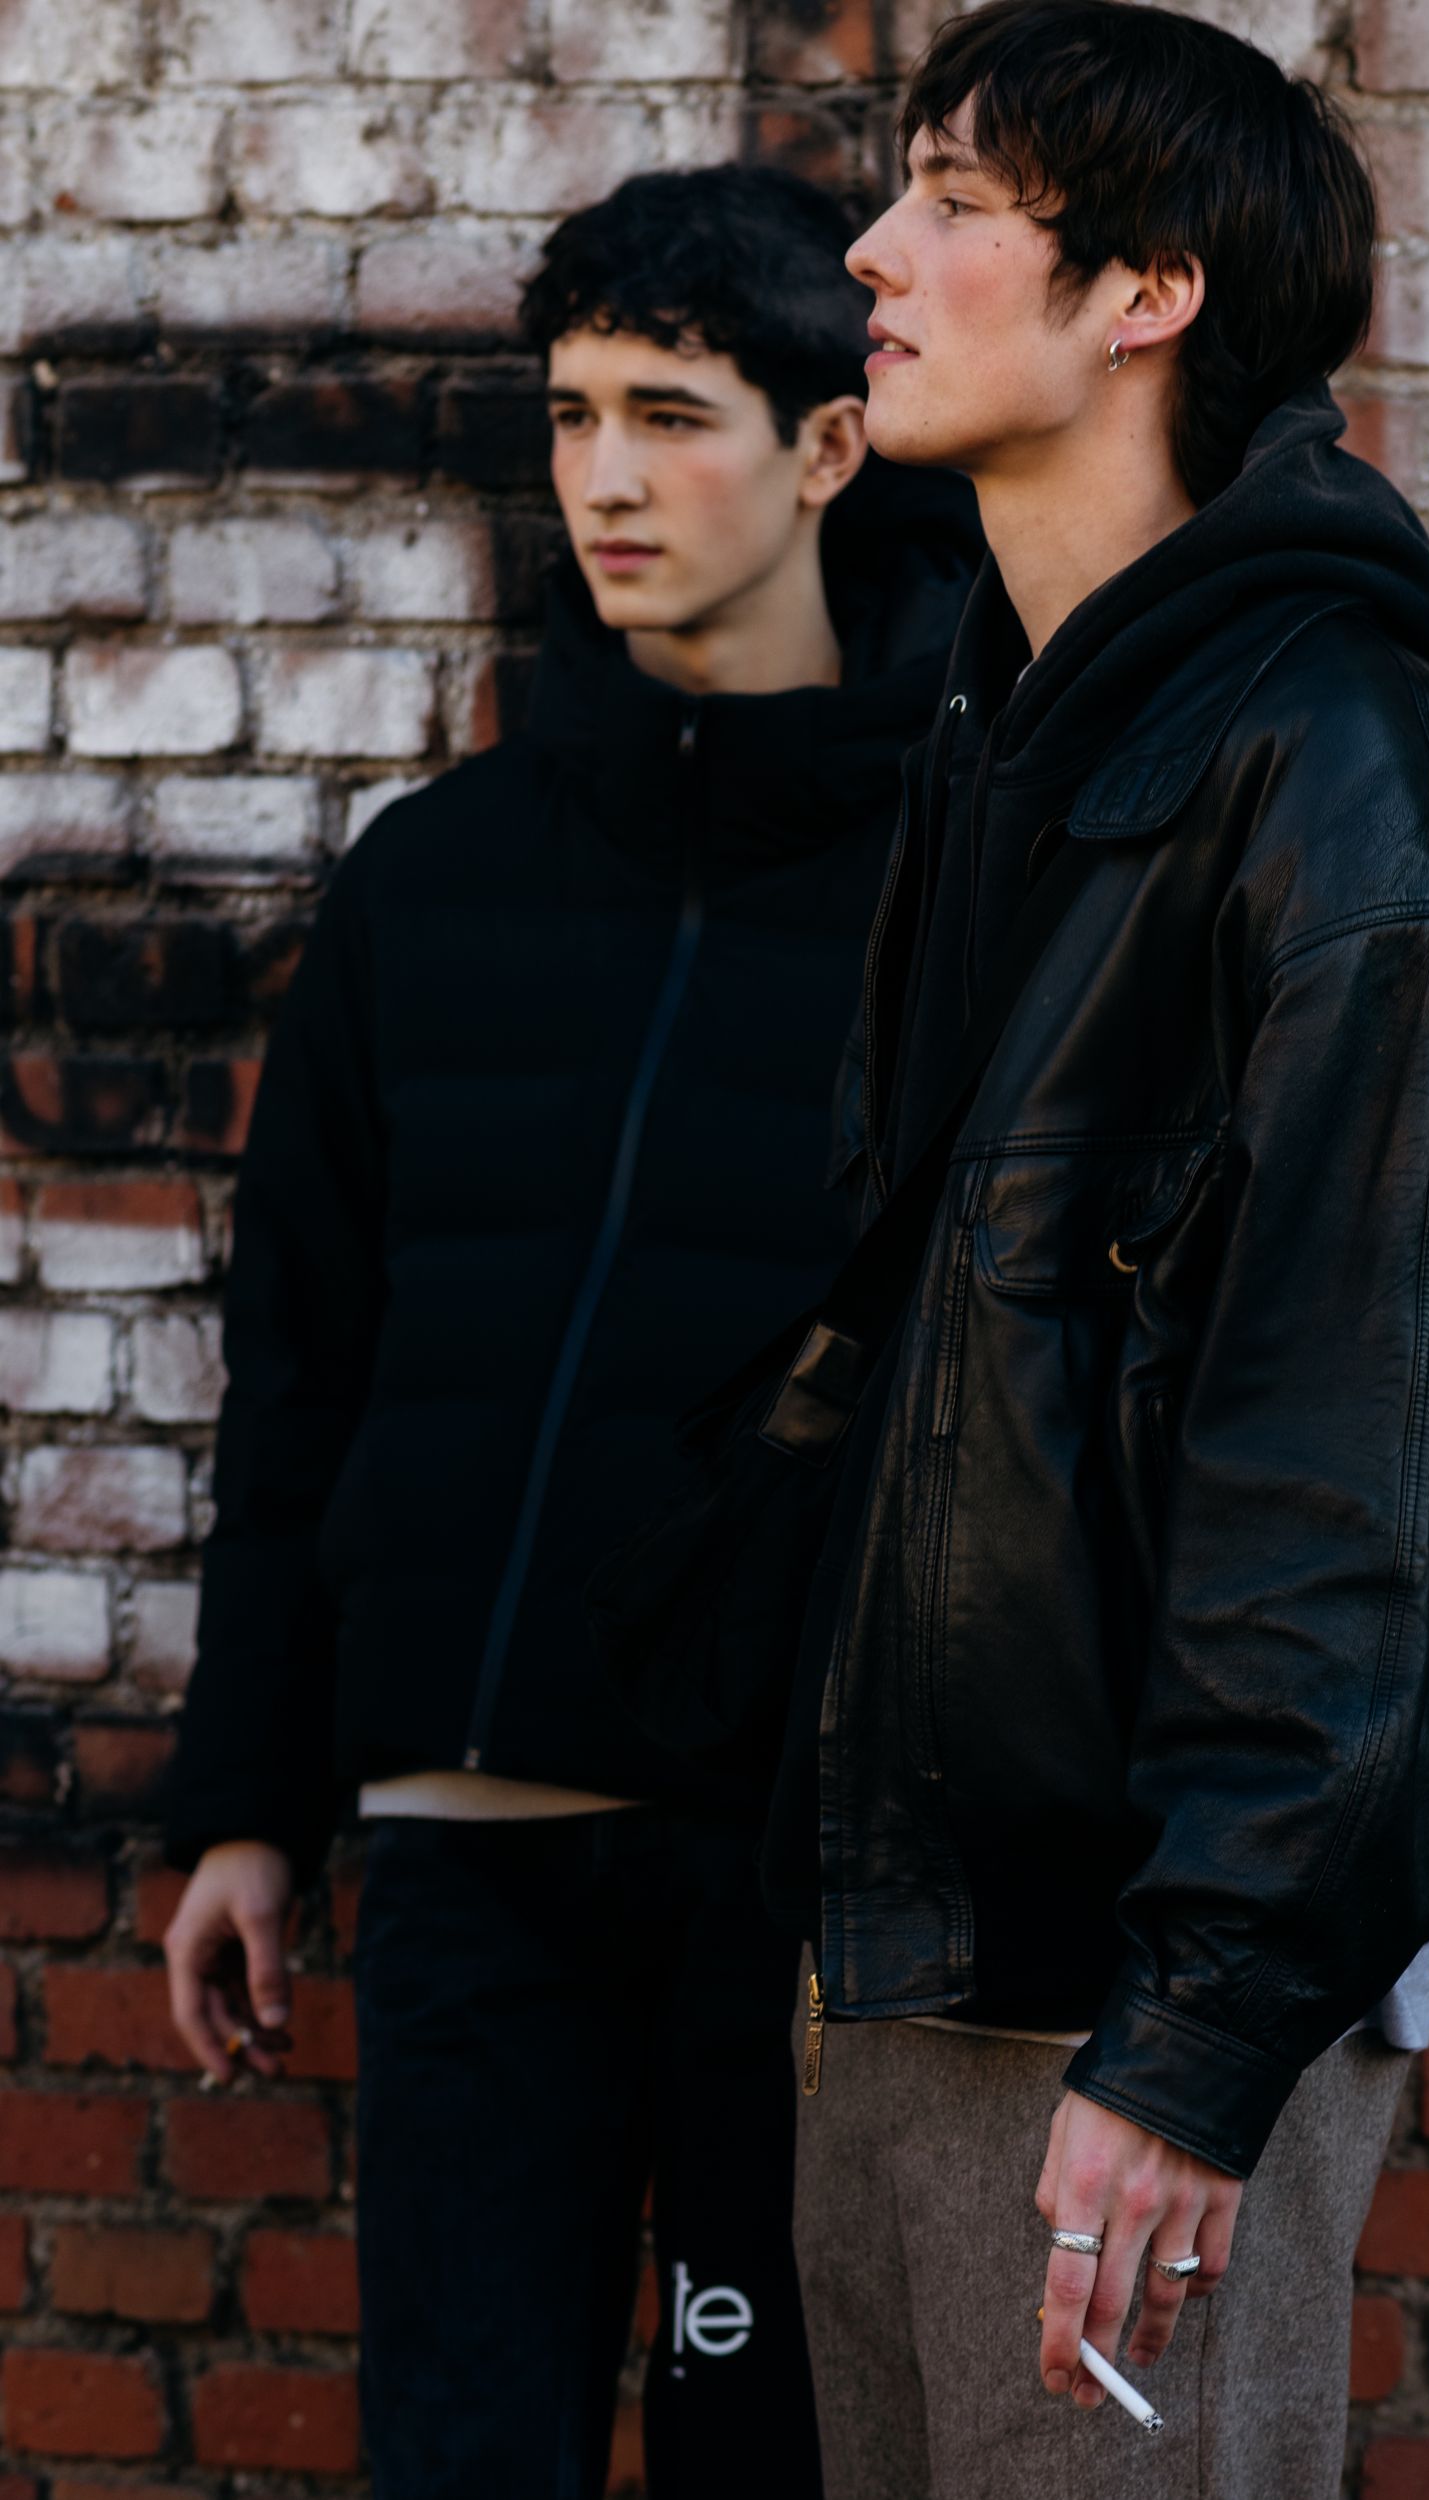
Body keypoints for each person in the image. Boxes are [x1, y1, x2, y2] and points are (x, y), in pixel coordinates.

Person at [760, 7, 1429, 2493]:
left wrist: (1195, 2039)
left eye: (954, 199)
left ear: (1145, 292)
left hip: (1123, 2021)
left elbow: (1369, 1468)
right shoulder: (1015, 749)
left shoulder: (1344, 791)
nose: (876, 250)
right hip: (916, 1966)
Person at [159, 163, 975, 2500]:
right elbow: (303, 1371)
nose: (605, 476)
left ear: (829, 446)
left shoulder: (953, 886)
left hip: (783, 1882)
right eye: (572, 414)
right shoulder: (437, 876)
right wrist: (245, 1800)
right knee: (464, 2453)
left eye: (672, 415)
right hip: (470, 1851)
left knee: (764, 2457)